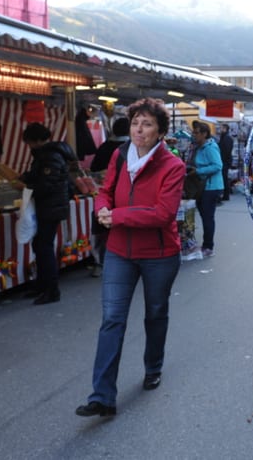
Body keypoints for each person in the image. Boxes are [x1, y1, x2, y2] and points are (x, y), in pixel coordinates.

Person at [77, 98, 184, 417]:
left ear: (160, 131)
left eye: (147, 123)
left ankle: (153, 366)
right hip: (119, 252)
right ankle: (102, 395)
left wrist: (118, 216)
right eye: (136, 122)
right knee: (112, 319)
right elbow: (105, 190)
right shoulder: (120, 156)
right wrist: (102, 210)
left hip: (160, 254)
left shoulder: (172, 166)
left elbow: (163, 214)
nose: (139, 129)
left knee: (155, 313)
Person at [19, 123, 77, 305]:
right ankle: (42, 285)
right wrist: (27, 177)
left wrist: (28, 188)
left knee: (44, 247)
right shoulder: (47, 155)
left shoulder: (50, 155)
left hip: (51, 207)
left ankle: (52, 290)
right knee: (40, 245)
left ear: (36, 141)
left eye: (29, 142)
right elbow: (42, 177)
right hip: (50, 206)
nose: (29, 147)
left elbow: (47, 184)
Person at [89, 117, 130, 278]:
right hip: (123, 197)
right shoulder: (129, 149)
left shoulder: (105, 147)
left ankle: (100, 263)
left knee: (102, 230)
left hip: (104, 195)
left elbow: (93, 169)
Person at [191, 121, 223, 258]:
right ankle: (206, 245)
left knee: (207, 217)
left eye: (196, 132)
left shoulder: (210, 148)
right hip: (202, 187)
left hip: (210, 187)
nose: (194, 135)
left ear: (204, 134)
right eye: (193, 132)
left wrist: (199, 171)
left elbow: (217, 165)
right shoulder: (199, 147)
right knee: (204, 216)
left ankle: (208, 246)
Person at [218, 123, 234, 201]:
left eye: (221, 128)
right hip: (224, 160)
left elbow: (226, 151)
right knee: (224, 177)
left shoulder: (226, 138)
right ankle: (225, 194)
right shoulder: (224, 137)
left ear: (225, 129)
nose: (220, 129)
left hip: (225, 161)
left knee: (224, 178)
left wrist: (223, 159)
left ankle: (226, 194)